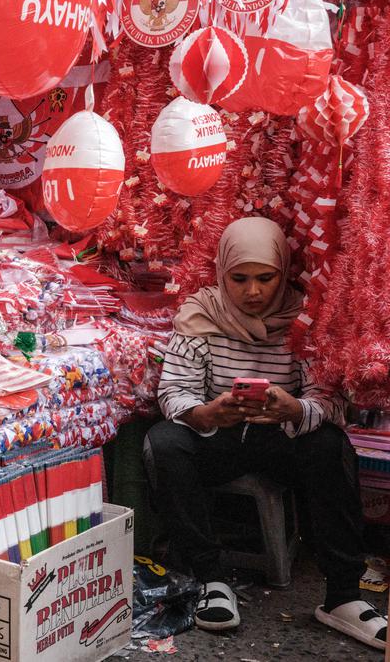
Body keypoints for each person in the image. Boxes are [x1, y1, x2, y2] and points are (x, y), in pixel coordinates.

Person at [144, 217, 385, 650]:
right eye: (239, 279)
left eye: (265, 278)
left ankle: (344, 596)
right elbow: (173, 394)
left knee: (331, 445)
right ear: (222, 272)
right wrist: (207, 412)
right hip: (220, 439)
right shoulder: (201, 316)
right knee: (164, 442)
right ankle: (209, 579)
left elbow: (329, 403)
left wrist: (295, 409)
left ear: (283, 272)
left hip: (281, 439)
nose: (253, 292)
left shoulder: (303, 320)